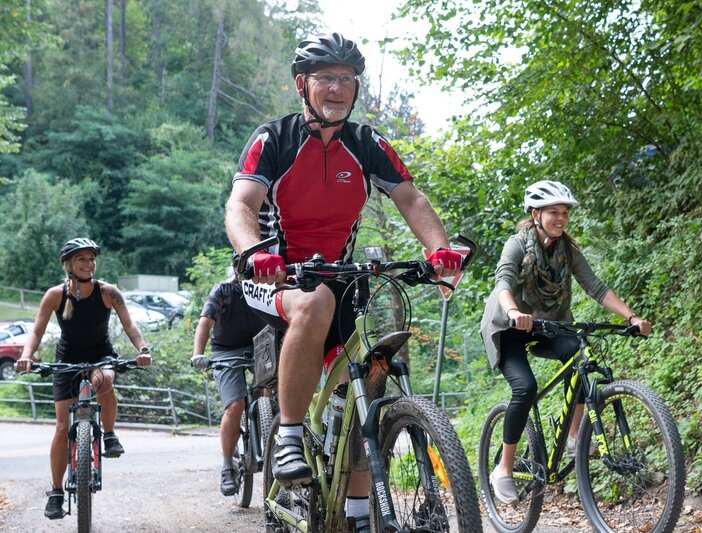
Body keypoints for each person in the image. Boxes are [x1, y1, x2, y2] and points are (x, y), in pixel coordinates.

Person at [224, 32, 462, 531]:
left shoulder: (366, 143)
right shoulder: (275, 138)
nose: (337, 88)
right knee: (313, 305)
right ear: (301, 85)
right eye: (326, 78)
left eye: (347, 80)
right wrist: (254, 252)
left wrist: (437, 251)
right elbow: (240, 205)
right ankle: (289, 434)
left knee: (368, 385)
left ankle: (357, 514)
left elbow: (411, 199)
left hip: (340, 280)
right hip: (274, 275)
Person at [480, 180, 652, 505]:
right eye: (553, 212)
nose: (560, 218)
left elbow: (596, 288)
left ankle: (574, 437)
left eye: (564, 213)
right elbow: (503, 281)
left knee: (577, 353)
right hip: (509, 325)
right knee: (525, 387)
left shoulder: (568, 252)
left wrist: (632, 317)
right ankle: (503, 468)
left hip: (548, 323)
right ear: (535, 214)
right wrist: (515, 310)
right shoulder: (517, 245)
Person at [15, 238, 153, 519]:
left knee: (104, 380)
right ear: (69, 265)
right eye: (82, 259)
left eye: (92, 259)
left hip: (101, 356)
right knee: (61, 426)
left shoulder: (107, 292)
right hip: (66, 361)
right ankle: (56, 492)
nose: (89, 264)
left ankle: (110, 435)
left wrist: (142, 349)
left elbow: (129, 324)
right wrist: (27, 355)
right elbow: (37, 332)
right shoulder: (55, 295)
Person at [190, 274, 266, 496]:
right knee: (235, 405)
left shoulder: (270, 287)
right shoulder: (223, 290)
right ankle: (227, 466)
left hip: (262, 345)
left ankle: (271, 439)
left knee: (269, 395)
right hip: (225, 351)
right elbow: (205, 322)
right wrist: (198, 354)